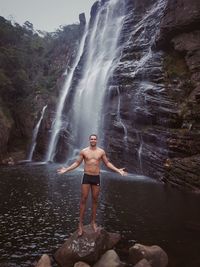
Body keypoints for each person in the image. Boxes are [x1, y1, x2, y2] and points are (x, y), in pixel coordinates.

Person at [57, 134, 127, 236]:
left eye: (94, 139)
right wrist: (66, 170)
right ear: (89, 140)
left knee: (95, 200)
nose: (93, 140)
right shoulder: (84, 151)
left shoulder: (101, 152)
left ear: (97, 140)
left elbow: (107, 163)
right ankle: (80, 224)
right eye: (91, 139)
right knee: (83, 199)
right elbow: (77, 163)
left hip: (96, 177)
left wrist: (118, 170)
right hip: (86, 176)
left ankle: (93, 222)